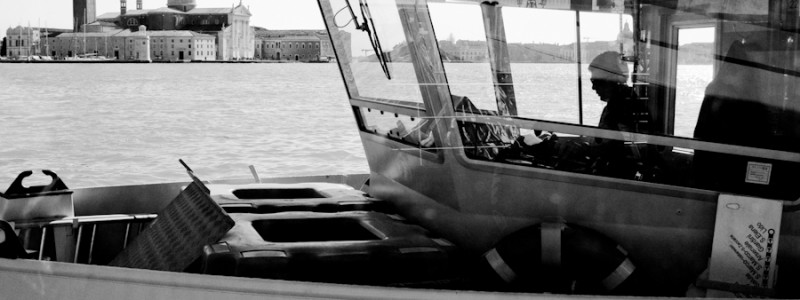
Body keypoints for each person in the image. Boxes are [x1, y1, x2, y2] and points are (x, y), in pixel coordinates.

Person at [588, 51, 649, 133]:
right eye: (592, 81)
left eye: (597, 82)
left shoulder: (625, 109)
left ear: (614, 80)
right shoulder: (618, 104)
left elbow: (616, 143)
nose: (593, 87)